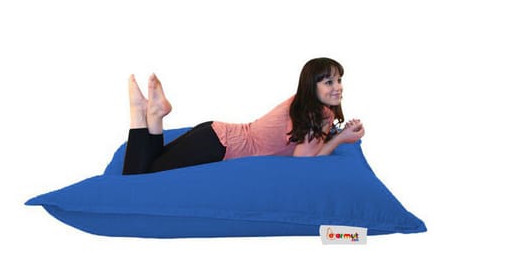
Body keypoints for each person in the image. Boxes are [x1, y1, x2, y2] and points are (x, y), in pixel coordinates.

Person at [122, 57, 366, 175]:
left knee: (152, 164)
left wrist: (339, 133)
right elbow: (305, 160)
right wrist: (340, 139)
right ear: (312, 86)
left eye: (339, 80)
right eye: (329, 82)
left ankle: (154, 115)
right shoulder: (318, 113)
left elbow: (309, 145)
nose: (338, 87)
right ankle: (139, 117)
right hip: (220, 145)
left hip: (215, 134)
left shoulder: (303, 104)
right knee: (139, 176)